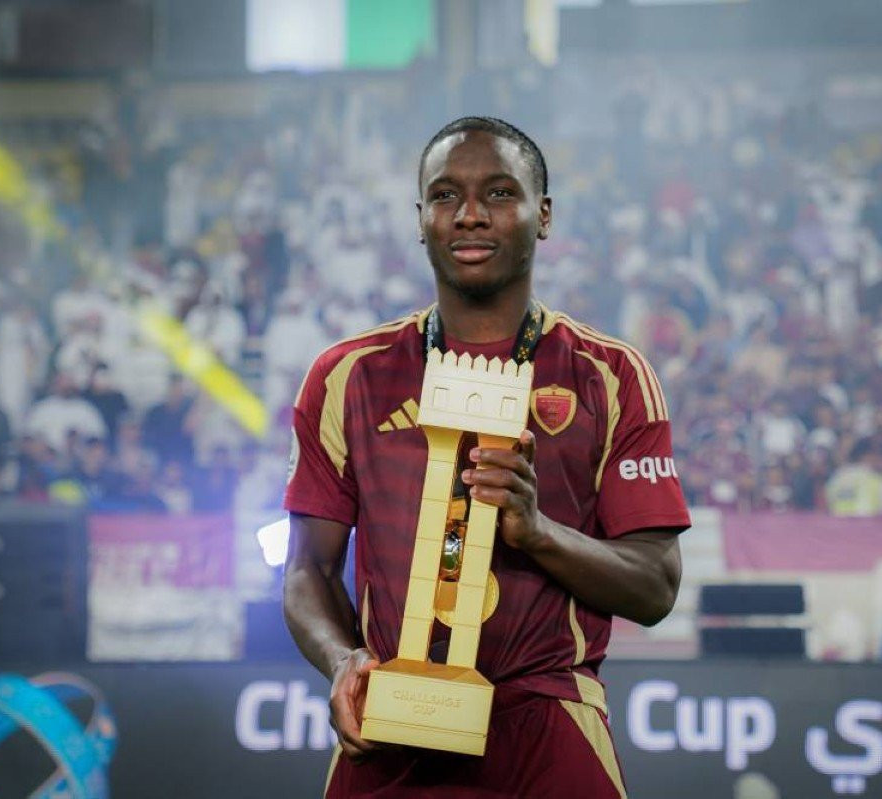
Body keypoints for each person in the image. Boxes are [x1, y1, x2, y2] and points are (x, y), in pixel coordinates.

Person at [282, 117, 689, 798]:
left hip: (548, 722)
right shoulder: (347, 375)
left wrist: (538, 532)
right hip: (392, 720)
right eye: (445, 195)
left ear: (544, 215)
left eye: (499, 193)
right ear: (420, 219)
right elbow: (307, 571)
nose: (469, 214)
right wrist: (344, 660)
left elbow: (656, 588)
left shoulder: (611, 375)